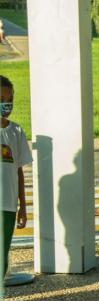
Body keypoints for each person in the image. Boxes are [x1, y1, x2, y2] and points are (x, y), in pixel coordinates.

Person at [0, 75, 30, 282]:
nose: (6, 103)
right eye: (1, 98)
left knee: (2, 257)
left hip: (8, 205)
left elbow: (18, 171)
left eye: (9, 99)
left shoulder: (16, 131)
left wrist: (23, 206)